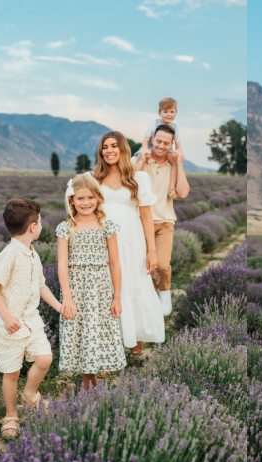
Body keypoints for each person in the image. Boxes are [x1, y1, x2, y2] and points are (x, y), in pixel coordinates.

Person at [68, 131, 161, 352]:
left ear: (123, 149)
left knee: (132, 282)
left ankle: (133, 331)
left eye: (114, 146)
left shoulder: (139, 178)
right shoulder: (92, 178)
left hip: (131, 241)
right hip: (101, 240)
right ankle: (106, 343)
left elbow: (147, 216)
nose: (109, 150)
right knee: (104, 287)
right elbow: (75, 200)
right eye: (105, 147)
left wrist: (152, 250)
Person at [0, 197, 63, 439]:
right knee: (12, 373)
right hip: (8, 326)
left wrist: (59, 307)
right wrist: (6, 317)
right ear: (32, 227)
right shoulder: (8, 255)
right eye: (40, 221)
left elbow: (41, 285)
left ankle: (29, 395)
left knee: (45, 358)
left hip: (30, 319)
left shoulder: (33, 254)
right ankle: (11, 416)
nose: (41, 225)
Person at [56, 175, 125, 391]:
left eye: (90, 197)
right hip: (76, 289)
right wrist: (67, 296)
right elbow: (62, 264)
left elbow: (114, 263)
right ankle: (90, 384)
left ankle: (91, 383)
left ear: (98, 198)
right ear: (71, 201)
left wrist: (117, 296)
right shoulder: (66, 227)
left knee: (96, 332)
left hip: (100, 289)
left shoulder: (107, 226)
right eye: (80, 198)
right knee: (80, 331)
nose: (86, 203)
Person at [135, 124, 190, 317]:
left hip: (165, 221)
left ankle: (164, 292)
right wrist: (141, 159)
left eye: (166, 143)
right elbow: (130, 185)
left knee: (163, 264)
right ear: (152, 140)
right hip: (140, 223)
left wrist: (179, 164)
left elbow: (183, 192)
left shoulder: (173, 165)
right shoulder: (140, 159)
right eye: (158, 141)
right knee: (146, 267)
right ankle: (151, 299)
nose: (161, 146)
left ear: (172, 144)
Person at [140, 97, 184, 201]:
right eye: (165, 112)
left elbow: (178, 145)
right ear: (159, 113)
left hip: (167, 149)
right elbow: (145, 140)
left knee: (174, 162)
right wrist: (145, 149)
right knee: (140, 158)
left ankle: (172, 188)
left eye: (171, 111)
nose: (168, 114)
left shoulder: (175, 127)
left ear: (176, 113)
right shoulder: (154, 123)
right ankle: (141, 185)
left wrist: (178, 153)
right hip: (152, 147)